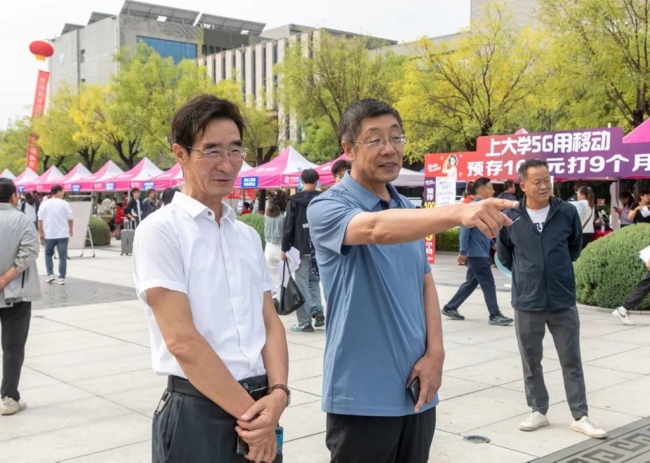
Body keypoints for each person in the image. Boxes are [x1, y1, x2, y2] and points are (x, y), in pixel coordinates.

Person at [307, 99, 519, 463]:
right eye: (374, 140)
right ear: (348, 149)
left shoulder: (407, 210)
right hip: (362, 395)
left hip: (417, 391)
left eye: (396, 137)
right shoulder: (328, 206)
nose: (389, 149)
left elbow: (424, 282)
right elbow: (374, 230)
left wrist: (436, 354)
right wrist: (460, 211)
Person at [133, 95, 288, 463]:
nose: (227, 164)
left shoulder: (246, 236)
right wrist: (254, 419)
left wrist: (279, 394)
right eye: (212, 150)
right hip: (198, 410)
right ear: (180, 154)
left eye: (235, 150)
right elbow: (183, 341)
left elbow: (270, 321)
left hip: (262, 404)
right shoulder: (161, 231)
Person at [497, 159, 607, 439]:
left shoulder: (567, 212)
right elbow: (505, 254)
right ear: (523, 185)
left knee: (571, 359)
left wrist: (555, 270)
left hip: (562, 300)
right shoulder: (511, 217)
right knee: (530, 360)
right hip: (527, 301)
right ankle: (538, 410)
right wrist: (528, 275)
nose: (545, 185)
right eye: (537, 181)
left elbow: (574, 246)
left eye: (548, 179)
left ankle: (580, 415)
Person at [442, 177, 513, 326]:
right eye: (490, 188)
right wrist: (463, 252)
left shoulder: (483, 207)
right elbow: (464, 229)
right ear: (481, 191)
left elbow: (483, 231)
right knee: (488, 283)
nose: (493, 191)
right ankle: (494, 315)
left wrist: (493, 244)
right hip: (475, 254)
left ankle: (450, 307)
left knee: (471, 282)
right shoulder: (472, 208)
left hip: (480, 252)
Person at [0, 178, 40, 416]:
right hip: (17, 294)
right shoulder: (23, 219)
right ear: (14, 196)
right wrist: (4, 279)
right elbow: (29, 253)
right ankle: (8, 397)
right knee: (13, 346)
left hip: (13, 291)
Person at [281, 169, 325, 332]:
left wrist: (284, 247)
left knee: (301, 284)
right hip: (319, 249)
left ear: (301, 181)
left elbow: (288, 226)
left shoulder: (294, 201)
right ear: (317, 181)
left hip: (299, 248)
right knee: (314, 282)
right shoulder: (323, 199)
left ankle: (305, 322)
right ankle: (318, 309)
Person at [38, 185, 73, 286]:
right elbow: (70, 219)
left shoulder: (44, 204)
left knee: (48, 254)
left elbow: (40, 220)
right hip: (62, 234)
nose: (63, 193)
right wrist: (71, 230)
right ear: (58, 192)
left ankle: (50, 274)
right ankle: (61, 277)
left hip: (49, 234)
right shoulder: (65, 204)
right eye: (62, 191)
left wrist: (41, 232)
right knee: (62, 256)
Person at [265, 190, 288, 298]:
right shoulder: (285, 215)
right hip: (282, 248)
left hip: (269, 247)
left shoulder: (267, 215)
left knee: (273, 277)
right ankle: (282, 300)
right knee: (285, 277)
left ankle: (276, 299)